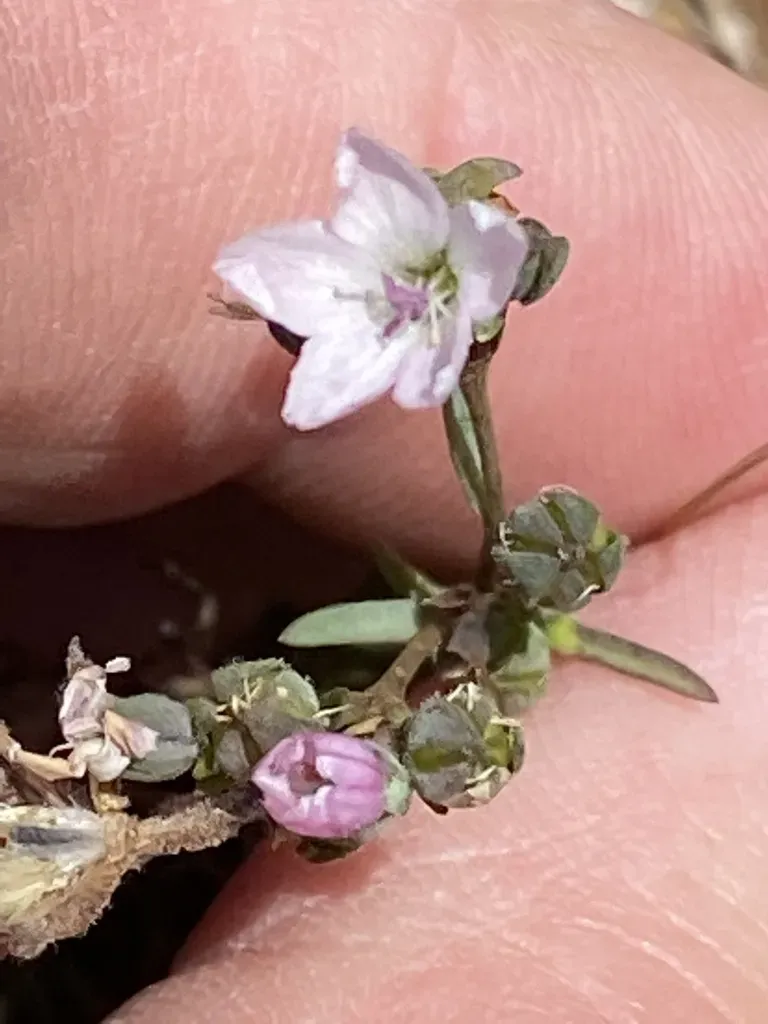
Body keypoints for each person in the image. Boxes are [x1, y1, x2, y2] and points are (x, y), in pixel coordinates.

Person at [2, 0, 768, 1019]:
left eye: (447, 291)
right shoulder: (427, 311)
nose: (422, 302)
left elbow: (455, 347)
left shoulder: (461, 295)